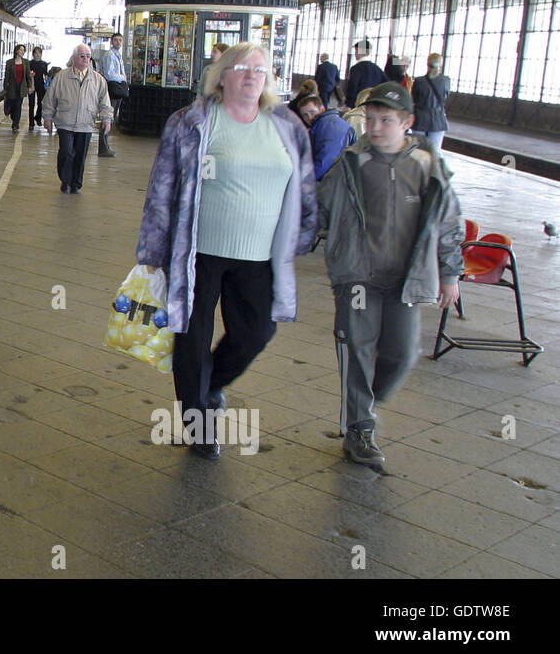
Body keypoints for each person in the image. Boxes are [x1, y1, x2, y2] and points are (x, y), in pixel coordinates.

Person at [136, 42, 317, 459]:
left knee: (257, 332)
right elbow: (161, 190)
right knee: (192, 339)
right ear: (221, 75)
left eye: (260, 69)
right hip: (197, 252)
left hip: (259, 255)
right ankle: (199, 427)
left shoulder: (286, 126)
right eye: (242, 68)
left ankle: (210, 385)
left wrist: (304, 234)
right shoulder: (192, 121)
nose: (252, 75)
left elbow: (304, 185)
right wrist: (152, 253)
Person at [317, 82, 463, 470]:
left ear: (408, 122)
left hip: (407, 280)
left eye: (385, 120)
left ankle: (365, 400)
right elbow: (320, 209)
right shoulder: (352, 162)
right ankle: (359, 428)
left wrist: (450, 273)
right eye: (370, 119)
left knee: (401, 352)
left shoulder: (427, 164)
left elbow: (447, 222)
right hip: (358, 277)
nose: (375, 128)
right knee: (357, 350)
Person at [43, 44, 112, 194]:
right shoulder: (61, 77)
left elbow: (105, 102)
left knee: (80, 155)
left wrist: (107, 119)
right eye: (82, 56)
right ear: (74, 58)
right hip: (65, 122)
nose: (85, 59)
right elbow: (50, 99)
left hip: (86, 123)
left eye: (88, 56)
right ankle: (65, 181)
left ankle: (76, 184)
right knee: (66, 152)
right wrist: (47, 117)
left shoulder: (98, 80)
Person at [297, 95, 356, 180]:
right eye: (305, 115)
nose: (309, 117)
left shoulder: (330, 126)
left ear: (322, 109)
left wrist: (303, 180)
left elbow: (325, 162)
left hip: (334, 182)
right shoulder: (322, 125)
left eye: (312, 112)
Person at [97, 32, 129, 157]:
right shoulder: (110, 55)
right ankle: (103, 148)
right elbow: (110, 74)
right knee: (108, 117)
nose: (118, 42)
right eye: (116, 40)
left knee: (111, 118)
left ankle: (105, 146)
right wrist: (123, 77)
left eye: (120, 40)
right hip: (112, 89)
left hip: (117, 89)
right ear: (111, 42)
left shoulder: (118, 56)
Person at [411, 52, 450, 152]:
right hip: (438, 119)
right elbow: (445, 98)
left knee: (419, 151)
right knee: (435, 152)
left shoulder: (419, 81)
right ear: (441, 64)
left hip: (420, 119)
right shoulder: (446, 80)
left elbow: (414, 98)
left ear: (427, 64)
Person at [1, 43, 32, 133]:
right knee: (12, 105)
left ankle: (15, 125)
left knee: (18, 106)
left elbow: (28, 75)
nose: (22, 52)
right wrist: (5, 88)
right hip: (12, 87)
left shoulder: (26, 62)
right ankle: (13, 117)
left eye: (23, 50)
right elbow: (6, 76)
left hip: (21, 87)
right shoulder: (10, 62)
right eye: (21, 50)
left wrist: (30, 86)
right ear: (16, 51)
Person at [344, 40, 386, 108]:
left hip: (357, 105)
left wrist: (348, 104)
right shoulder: (377, 69)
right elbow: (386, 83)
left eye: (356, 51)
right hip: (372, 105)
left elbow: (352, 87)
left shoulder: (356, 68)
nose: (355, 54)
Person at [27, 46, 50, 131]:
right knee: (31, 105)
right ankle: (31, 123)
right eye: (36, 53)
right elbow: (28, 75)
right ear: (33, 54)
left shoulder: (44, 63)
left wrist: (48, 80)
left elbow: (45, 74)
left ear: (41, 54)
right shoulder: (30, 63)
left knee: (41, 104)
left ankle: (37, 117)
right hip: (32, 85)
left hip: (40, 85)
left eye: (39, 53)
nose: (37, 55)